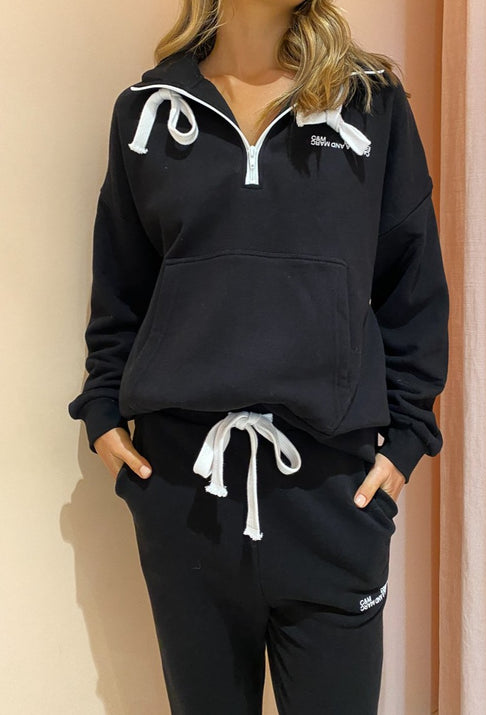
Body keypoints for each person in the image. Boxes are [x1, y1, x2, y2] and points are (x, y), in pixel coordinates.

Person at [67, 0, 450, 712]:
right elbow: (121, 285)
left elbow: (412, 288)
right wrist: (103, 412)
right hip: (184, 497)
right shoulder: (147, 113)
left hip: (332, 495)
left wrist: (404, 441)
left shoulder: (370, 105)